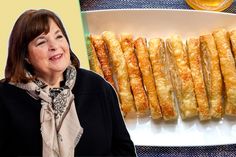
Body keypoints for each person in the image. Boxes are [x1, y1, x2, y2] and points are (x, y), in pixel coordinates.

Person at [0, 9, 136, 157]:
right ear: (25, 55)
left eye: (59, 36)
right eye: (41, 42)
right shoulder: (4, 97)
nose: (54, 46)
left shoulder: (96, 86)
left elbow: (124, 150)